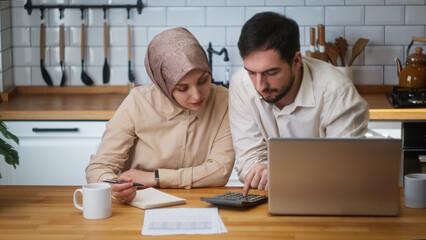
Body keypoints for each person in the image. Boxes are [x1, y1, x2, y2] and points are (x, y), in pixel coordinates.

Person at [86, 27, 235, 203]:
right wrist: (113, 187)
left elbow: (219, 171)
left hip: (200, 204)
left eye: (203, 81)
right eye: (182, 88)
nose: (196, 95)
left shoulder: (224, 101)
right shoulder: (138, 102)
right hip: (138, 205)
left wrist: (156, 177)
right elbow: (98, 168)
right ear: (163, 83)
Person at [228, 12, 369, 196]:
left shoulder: (338, 92)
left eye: (271, 72)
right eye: (251, 72)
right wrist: (264, 171)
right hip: (270, 200)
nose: (259, 85)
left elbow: (345, 170)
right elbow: (249, 161)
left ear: (296, 61)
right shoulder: (241, 84)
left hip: (329, 201)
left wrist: (277, 172)